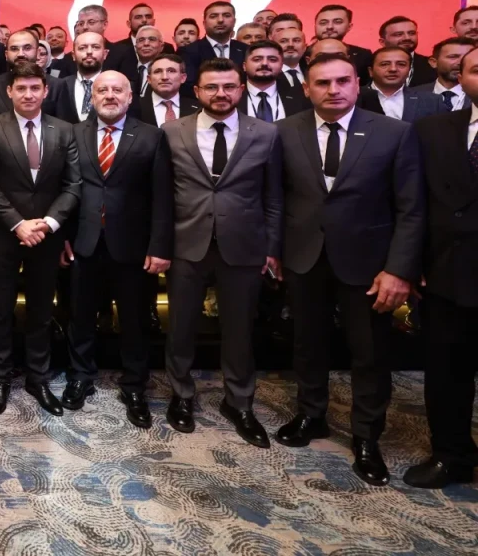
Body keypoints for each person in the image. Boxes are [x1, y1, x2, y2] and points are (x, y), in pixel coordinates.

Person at [273, 53, 424, 486]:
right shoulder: (284, 131)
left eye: (342, 81)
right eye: (322, 83)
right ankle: (311, 414)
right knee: (308, 343)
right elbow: (276, 197)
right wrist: (274, 250)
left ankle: (366, 436)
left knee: (369, 352)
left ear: (358, 84)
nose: (333, 90)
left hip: (369, 264)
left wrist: (399, 269)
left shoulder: (394, 133)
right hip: (304, 256)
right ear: (306, 89)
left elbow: (411, 208)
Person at [162, 58, 282, 447]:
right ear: (196, 91)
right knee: (181, 327)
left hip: (244, 245)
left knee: (239, 329)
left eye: (229, 86)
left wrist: (271, 247)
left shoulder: (266, 133)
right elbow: (161, 194)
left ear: (241, 89)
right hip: (186, 244)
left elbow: (274, 198)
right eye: (212, 87)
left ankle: (239, 402)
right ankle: (181, 394)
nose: (221, 94)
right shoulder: (172, 131)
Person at [63, 70, 172, 428]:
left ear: (129, 96)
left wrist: (159, 245)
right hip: (85, 242)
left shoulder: (153, 136)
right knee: (80, 316)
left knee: (135, 320)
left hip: (134, 246)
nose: (110, 95)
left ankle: (134, 385)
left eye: (117, 90)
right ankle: (80, 376)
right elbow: (65, 189)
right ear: (92, 97)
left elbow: (162, 196)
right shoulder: (74, 133)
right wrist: (63, 237)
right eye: (102, 90)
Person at [0, 61, 80, 416]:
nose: (28, 94)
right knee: (0, 309)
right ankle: (0, 376)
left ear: (46, 91)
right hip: (5, 234)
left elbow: (73, 184)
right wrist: (18, 224)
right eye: (21, 88)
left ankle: (38, 377)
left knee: (41, 310)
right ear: (9, 91)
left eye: (35, 88)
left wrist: (48, 223)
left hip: (47, 236)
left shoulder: (64, 130)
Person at [404, 47, 478, 489]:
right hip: (447, 272)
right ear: (460, 79)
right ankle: (452, 455)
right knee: (447, 373)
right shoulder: (433, 129)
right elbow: (412, 202)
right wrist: (410, 264)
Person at [358, 46, 445, 122]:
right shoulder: (355, 97)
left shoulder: (432, 101)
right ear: (371, 71)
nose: (393, 69)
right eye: (384, 64)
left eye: (401, 64)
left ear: (409, 71)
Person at [179, 2, 246, 91]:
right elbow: (188, 85)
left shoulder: (246, 50)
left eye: (226, 15)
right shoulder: (187, 51)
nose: (220, 20)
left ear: (234, 21)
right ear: (204, 23)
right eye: (213, 16)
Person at [240, 40, 309, 121]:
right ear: (244, 66)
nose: (265, 63)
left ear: (281, 66)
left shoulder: (300, 96)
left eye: (272, 59)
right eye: (257, 59)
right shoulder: (234, 95)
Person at [52, 31, 108, 125]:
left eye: (95, 47)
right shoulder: (59, 86)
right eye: (82, 48)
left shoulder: (118, 86)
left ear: (105, 54)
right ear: (73, 55)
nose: (89, 52)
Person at [129, 53, 198, 127]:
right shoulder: (132, 107)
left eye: (171, 71)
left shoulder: (198, 108)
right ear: (149, 79)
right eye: (158, 71)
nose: (164, 77)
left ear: (183, 78)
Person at [410, 37, 475, 111]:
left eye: (467, 57)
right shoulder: (412, 95)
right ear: (434, 62)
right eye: (453, 57)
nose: (461, 62)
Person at [314, 4, 373, 84]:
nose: (330, 27)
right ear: (315, 26)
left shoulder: (363, 55)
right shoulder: (302, 54)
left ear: (349, 26)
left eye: (337, 22)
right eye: (323, 23)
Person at [379, 16, 436, 88]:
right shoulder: (369, 64)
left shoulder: (433, 65)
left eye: (412, 33)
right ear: (382, 42)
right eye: (399, 34)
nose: (407, 38)